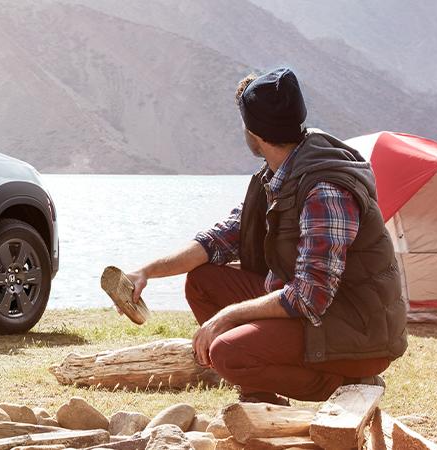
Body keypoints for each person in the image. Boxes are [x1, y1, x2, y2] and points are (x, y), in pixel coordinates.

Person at [120, 68, 407, 404]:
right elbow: (217, 241)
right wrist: (145, 272)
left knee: (226, 352)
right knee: (202, 282)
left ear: (254, 132)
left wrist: (226, 317)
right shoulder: (276, 178)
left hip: (356, 331)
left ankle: (349, 383)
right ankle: (262, 401)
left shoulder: (324, 190)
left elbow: (310, 296)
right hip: (322, 315)